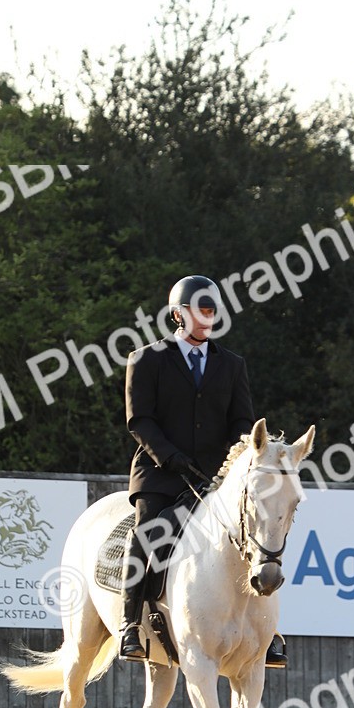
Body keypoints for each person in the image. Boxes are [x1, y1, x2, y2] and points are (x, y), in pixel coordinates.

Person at [120, 274, 287, 667]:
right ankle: (130, 624)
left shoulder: (231, 365)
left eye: (212, 311)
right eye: (200, 311)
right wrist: (172, 457)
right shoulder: (146, 360)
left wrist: (226, 467)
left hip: (215, 476)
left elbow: (242, 424)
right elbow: (139, 420)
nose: (207, 318)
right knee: (148, 533)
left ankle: (269, 631)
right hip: (161, 473)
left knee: (254, 537)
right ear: (179, 314)